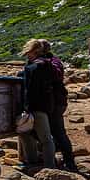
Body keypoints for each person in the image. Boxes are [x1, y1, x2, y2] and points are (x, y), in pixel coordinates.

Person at [18, 38, 58, 169]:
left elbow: (29, 90)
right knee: (46, 138)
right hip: (46, 105)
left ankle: (33, 163)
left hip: (34, 107)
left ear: (32, 52)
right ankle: (49, 165)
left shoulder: (32, 68)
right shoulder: (48, 65)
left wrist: (26, 108)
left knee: (25, 133)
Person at [40, 40, 77, 171]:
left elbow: (56, 74)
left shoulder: (52, 61)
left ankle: (69, 163)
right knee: (53, 132)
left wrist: (44, 63)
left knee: (59, 132)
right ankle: (62, 160)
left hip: (55, 102)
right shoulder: (52, 60)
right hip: (55, 101)